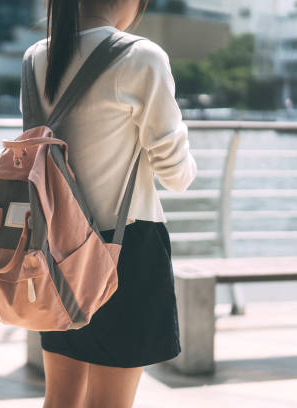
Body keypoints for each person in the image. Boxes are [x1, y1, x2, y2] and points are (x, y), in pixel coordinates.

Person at [20, 0, 198, 407]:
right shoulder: (141, 57)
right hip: (127, 248)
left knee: (60, 399)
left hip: (56, 246)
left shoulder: (37, 56)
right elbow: (177, 175)